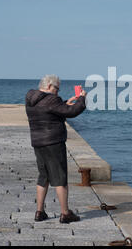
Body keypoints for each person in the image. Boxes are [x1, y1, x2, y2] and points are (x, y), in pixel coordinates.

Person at [25, 74, 86, 223]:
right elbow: (72, 112)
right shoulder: (52, 100)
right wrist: (82, 99)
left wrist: (66, 103)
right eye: (57, 88)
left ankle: (39, 212)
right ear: (49, 86)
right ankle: (65, 214)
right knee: (60, 178)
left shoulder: (30, 98)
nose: (58, 92)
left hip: (38, 142)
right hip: (53, 142)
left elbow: (49, 109)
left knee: (43, 176)